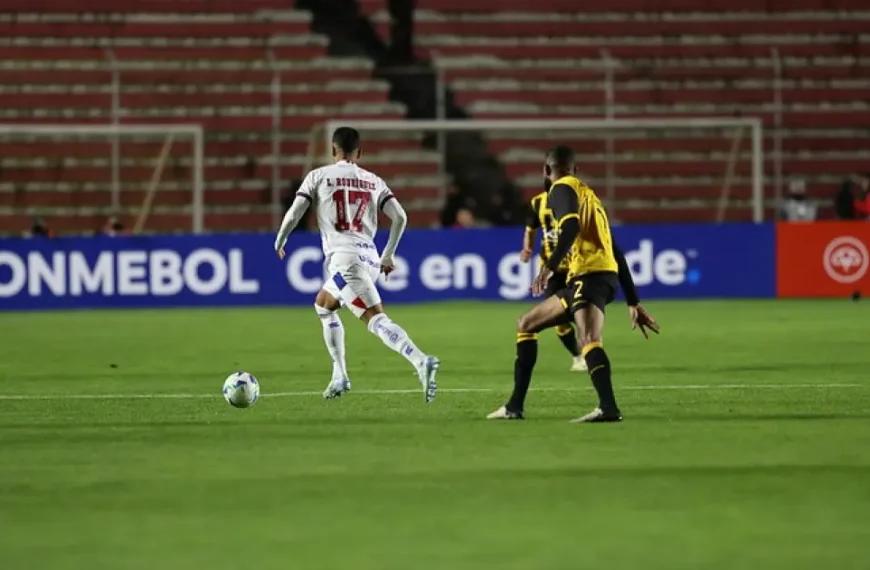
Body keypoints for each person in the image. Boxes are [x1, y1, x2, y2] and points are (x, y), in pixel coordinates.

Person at [488, 146, 659, 423]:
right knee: (526, 324)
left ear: (546, 171)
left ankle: (608, 408)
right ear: (575, 170)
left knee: (589, 339)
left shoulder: (560, 190)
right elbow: (616, 250)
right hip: (596, 276)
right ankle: (514, 407)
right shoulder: (589, 196)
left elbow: (570, 228)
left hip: (590, 276)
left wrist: (549, 265)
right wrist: (633, 301)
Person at [274, 126, 439, 402]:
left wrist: (280, 239)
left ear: (332, 150)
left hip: (344, 262)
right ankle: (339, 376)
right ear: (359, 153)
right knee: (323, 306)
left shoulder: (317, 176)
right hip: (369, 258)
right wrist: (388, 255)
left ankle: (421, 360)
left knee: (375, 320)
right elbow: (400, 217)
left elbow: (294, 213)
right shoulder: (373, 180)